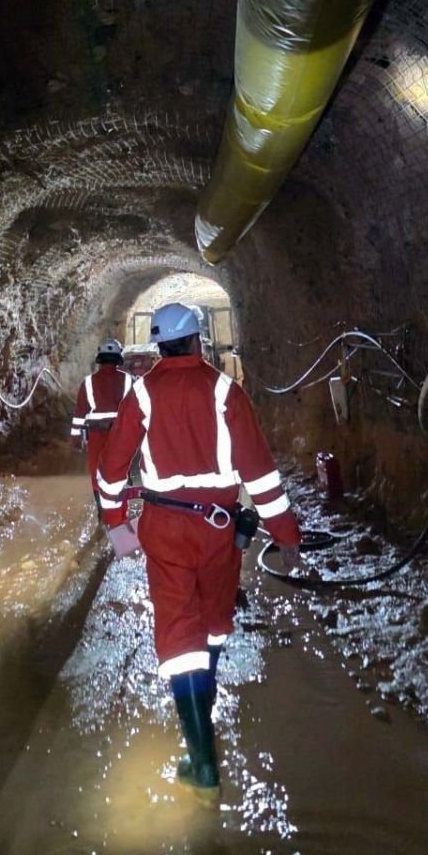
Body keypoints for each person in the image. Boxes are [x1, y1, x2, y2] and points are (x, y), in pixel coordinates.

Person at [95, 302, 305, 802]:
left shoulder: (141, 393)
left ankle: (202, 760)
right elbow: (260, 472)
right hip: (218, 529)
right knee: (212, 626)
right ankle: (204, 731)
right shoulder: (226, 391)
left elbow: (110, 470)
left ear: (158, 345)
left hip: (165, 529)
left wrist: (116, 525)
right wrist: (286, 534)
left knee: (177, 636)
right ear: (198, 341)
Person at [70, 338, 133, 511]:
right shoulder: (129, 380)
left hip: (97, 437)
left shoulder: (88, 382)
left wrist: (75, 438)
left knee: (97, 475)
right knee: (124, 471)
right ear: (118, 358)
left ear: (100, 357)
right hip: (122, 436)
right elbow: (137, 411)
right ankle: (126, 513)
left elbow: (79, 414)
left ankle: (102, 514)